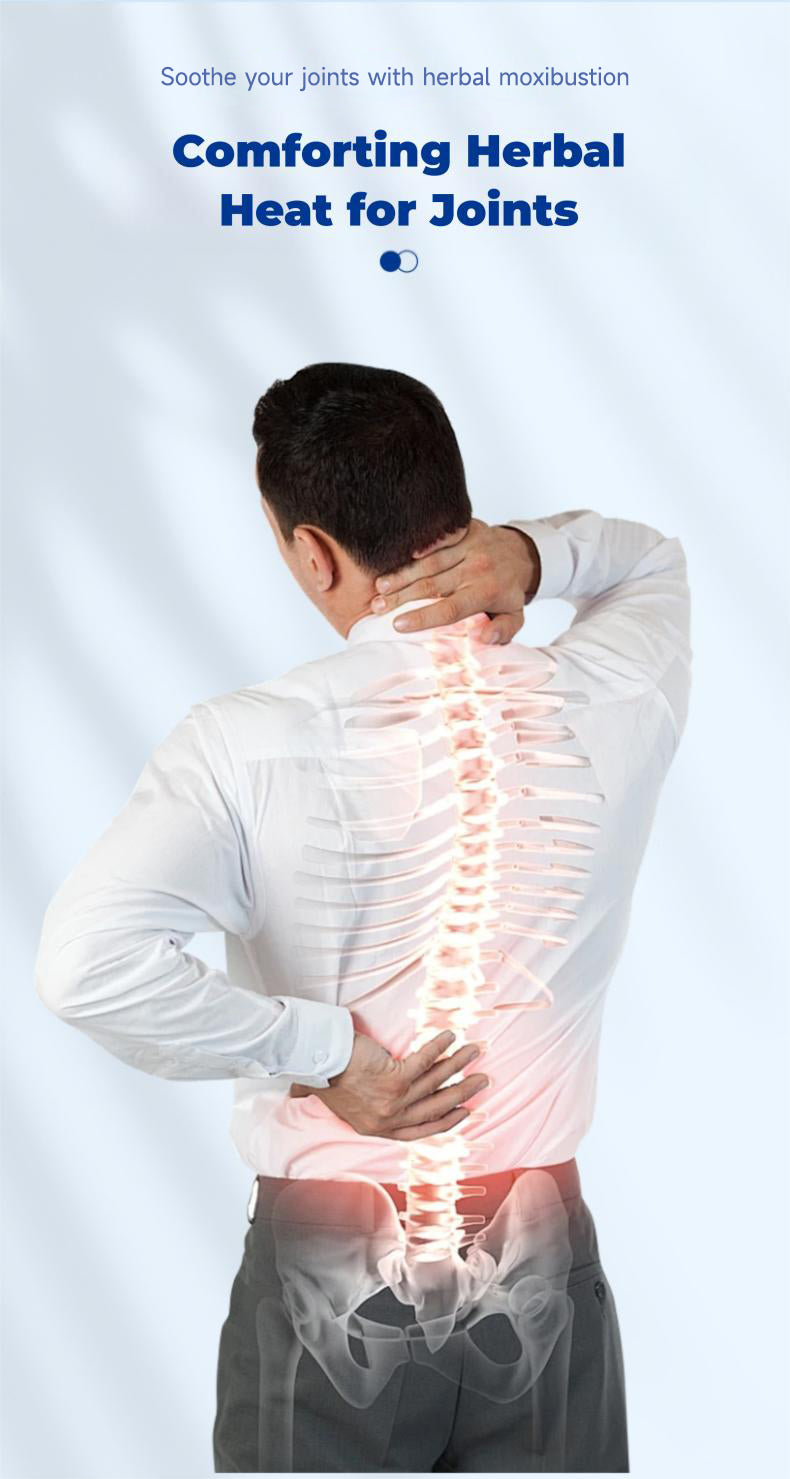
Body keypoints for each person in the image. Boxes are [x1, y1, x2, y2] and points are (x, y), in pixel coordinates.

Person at [35, 363, 691, 1473]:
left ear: (312, 551)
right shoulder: (614, 693)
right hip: (541, 1242)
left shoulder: (243, 742)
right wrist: (532, 555)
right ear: (458, 509)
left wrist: (325, 1051)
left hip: (329, 1262)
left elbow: (85, 965)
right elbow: (652, 563)